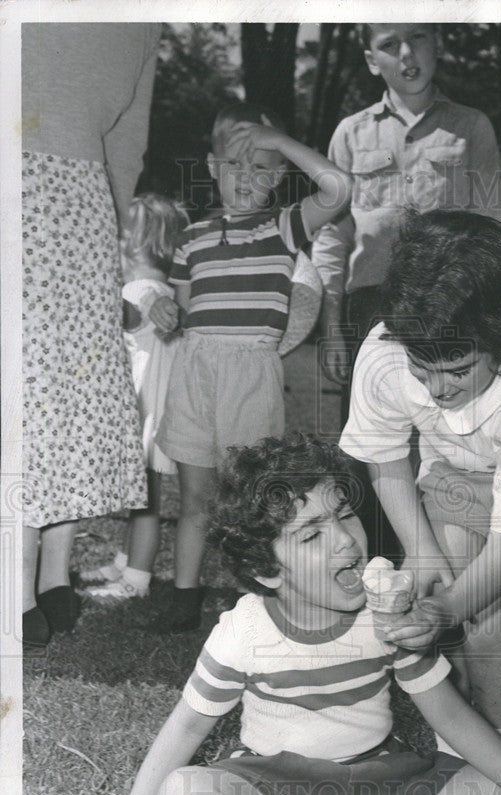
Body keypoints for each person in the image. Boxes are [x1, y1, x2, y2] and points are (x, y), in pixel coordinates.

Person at [53, 435, 501, 795]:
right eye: (312, 535)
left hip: (385, 788)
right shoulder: (244, 631)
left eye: (345, 516)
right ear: (268, 570)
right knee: (182, 794)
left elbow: (450, 716)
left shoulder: (387, 619)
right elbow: (188, 724)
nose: (345, 542)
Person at [339, 211, 501, 745]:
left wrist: (446, 609)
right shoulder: (384, 351)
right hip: (456, 470)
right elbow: (387, 458)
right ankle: (459, 750)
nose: (438, 389)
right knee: (446, 609)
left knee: (487, 624)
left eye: (459, 369)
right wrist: (420, 550)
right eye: (423, 367)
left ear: (500, 339)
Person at [147, 102, 352, 633]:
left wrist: (277, 139)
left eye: (262, 166)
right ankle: (183, 596)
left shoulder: (284, 227)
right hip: (195, 370)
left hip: (251, 373)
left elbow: (339, 188)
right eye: (235, 164)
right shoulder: (190, 238)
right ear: (213, 167)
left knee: (253, 497)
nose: (247, 177)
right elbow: (179, 311)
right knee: (194, 496)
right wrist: (165, 310)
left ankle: (256, 601)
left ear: (279, 174)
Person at [312, 22, 501, 561]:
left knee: (450, 436)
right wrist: (332, 325)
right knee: (371, 443)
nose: (407, 54)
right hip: (368, 304)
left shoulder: (472, 127)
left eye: (418, 38)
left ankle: (452, 569)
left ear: (437, 45)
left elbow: (492, 224)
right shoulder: (351, 133)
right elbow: (334, 235)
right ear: (372, 60)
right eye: (390, 44)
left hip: (450, 299)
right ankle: (377, 572)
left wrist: (486, 313)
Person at [21, 24, 160, 646]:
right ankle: (34, 582)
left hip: (59, 197)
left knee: (48, 399)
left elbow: (127, 141)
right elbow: (125, 148)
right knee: (42, 396)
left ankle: (38, 583)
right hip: (61, 196)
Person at [82, 194, 189, 601]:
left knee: (145, 498)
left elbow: (132, 307)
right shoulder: (160, 287)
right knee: (141, 493)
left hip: (144, 412)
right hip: (152, 408)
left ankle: (137, 578)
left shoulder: (142, 288)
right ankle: (128, 561)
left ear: (134, 242)